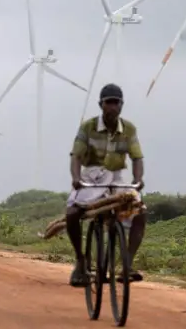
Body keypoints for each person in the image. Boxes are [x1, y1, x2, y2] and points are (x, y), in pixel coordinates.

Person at [66, 83, 146, 287]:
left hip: (117, 179)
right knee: (73, 213)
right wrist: (76, 178)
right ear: (100, 105)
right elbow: (76, 156)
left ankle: (127, 263)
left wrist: (137, 180)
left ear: (122, 105)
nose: (112, 107)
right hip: (92, 178)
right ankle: (81, 260)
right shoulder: (88, 127)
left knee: (140, 212)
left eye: (116, 103)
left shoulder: (129, 129)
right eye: (108, 103)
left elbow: (137, 158)